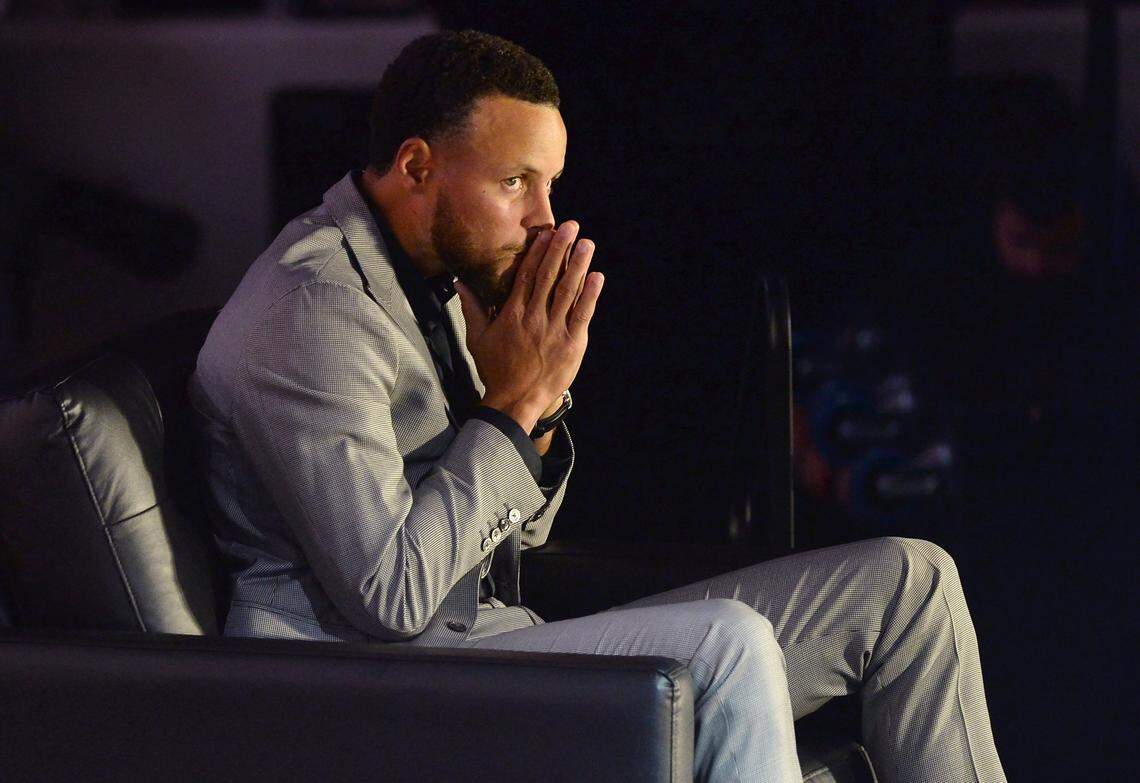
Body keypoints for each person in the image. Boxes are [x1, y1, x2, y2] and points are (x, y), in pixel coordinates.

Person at [189, 30, 1006, 783]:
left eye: (549, 183)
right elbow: (391, 597)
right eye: (515, 181)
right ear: (416, 166)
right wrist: (513, 407)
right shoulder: (313, 309)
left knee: (912, 583)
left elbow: (522, 532)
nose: (544, 217)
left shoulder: (442, 273)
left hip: (497, 643)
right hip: (373, 689)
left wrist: (536, 410)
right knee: (727, 642)